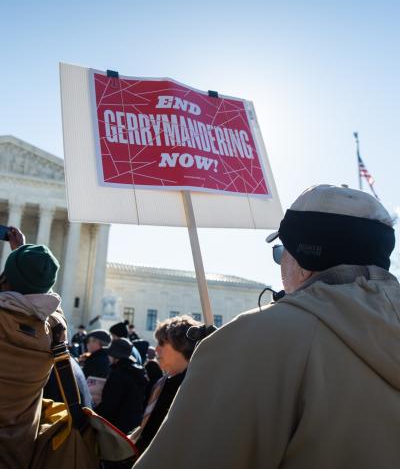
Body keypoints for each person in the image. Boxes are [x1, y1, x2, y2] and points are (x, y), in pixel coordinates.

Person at [134, 185, 400, 469]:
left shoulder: (252, 339)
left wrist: (229, 355)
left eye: (281, 251)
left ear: (305, 259)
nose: (280, 261)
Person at [0, 228, 66, 469]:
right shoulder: (54, 331)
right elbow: (49, 306)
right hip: (17, 453)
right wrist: (25, 263)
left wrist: (18, 257)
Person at [132, 314, 200, 456]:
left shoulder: (195, 388)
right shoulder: (163, 383)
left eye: (162, 343)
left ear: (181, 344)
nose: (156, 349)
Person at [96, 338, 147, 433]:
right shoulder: (137, 372)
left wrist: (93, 413)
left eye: (110, 354)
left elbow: (109, 406)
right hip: (132, 427)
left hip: (117, 429)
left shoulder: (118, 374)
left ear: (116, 356)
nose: (108, 356)